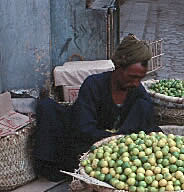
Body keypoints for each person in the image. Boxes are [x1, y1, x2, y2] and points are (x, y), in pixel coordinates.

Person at [34, 34, 160, 181]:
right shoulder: (93, 85)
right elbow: (82, 128)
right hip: (88, 144)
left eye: (140, 78)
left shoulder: (138, 93)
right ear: (118, 67)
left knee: (145, 108)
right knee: (47, 108)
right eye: (132, 77)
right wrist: (110, 138)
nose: (136, 83)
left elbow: (148, 127)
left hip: (122, 152)